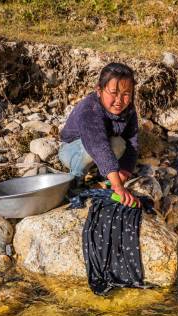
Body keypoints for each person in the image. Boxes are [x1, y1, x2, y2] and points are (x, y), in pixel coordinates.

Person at [59, 62, 141, 208]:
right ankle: (76, 181)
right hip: (73, 149)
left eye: (126, 94)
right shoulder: (89, 108)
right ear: (99, 90)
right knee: (90, 149)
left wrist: (122, 175)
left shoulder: (129, 110)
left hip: (102, 147)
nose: (119, 101)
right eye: (114, 93)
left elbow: (132, 144)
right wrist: (118, 186)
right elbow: (98, 145)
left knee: (119, 144)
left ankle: (103, 177)